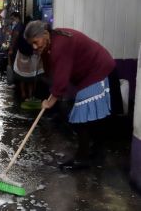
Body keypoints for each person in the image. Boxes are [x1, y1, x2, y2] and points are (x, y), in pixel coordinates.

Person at [24, 20, 123, 170]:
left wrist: (50, 102)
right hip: (88, 75)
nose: (35, 47)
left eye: (36, 42)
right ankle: (92, 154)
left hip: (100, 70)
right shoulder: (49, 43)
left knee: (82, 117)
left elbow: (61, 80)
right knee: (87, 118)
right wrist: (51, 95)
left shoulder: (60, 44)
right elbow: (52, 72)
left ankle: (84, 158)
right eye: (32, 44)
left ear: (45, 34)